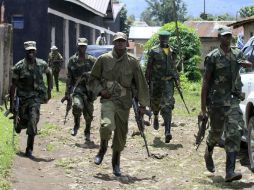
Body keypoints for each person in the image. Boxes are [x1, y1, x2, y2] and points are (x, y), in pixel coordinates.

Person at [88, 32, 149, 176]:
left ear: (127, 43)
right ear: (114, 43)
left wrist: (142, 105)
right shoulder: (103, 59)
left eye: (123, 41)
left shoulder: (133, 62)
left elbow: (141, 84)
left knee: (121, 135)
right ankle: (102, 149)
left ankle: (116, 162)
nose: (120, 43)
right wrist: (101, 91)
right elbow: (92, 79)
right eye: (118, 41)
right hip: (108, 100)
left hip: (124, 103)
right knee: (106, 125)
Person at [200, 26, 252, 182]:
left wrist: (246, 64)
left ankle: (230, 171)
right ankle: (208, 151)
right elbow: (206, 83)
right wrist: (203, 109)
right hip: (216, 102)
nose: (227, 39)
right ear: (219, 38)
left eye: (229, 36)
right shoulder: (212, 57)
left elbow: (246, 62)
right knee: (215, 134)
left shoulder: (237, 53)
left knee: (235, 132)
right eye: (224, 36)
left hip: (233, 101)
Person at [10, 41, 52, 157]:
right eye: (29, 51)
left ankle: (29, 149)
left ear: (36, 51)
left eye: (33, 51)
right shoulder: (19, 67)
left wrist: (49, 90)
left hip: (36, 98)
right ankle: (18, 124)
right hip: (23, 99)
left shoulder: (41, 64)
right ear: (25, 52)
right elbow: (13, 86)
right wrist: (12, 106)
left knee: (33, 121)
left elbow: (49, 73)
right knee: (24, 121)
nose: (31, 53)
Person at [145, 30, 179, 143]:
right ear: (159, 39)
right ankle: (155, 115)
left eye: (166, 38)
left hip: (168, 83)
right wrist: (146, 81)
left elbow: (174, 67)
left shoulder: (173, 50)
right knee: (155, 104)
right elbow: (149, 67)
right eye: (162, 38)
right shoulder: (153, 51)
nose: (164, 40)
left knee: (167, 106)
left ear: (168, 39)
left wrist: (177, 79)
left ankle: (167, 131)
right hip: (156, 82)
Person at [63, 38, 96, 142]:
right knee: (77, 106)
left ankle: (87, 131)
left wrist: (89, 74)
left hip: (90, 90)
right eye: (80, 46)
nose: (82, 48)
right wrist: (67, 94)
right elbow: (69, 78)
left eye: (84, 46)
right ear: (77, 46)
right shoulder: (72, 60)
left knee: (88, 114)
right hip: (78, 89)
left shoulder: (92, 60)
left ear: (86, 47)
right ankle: (76, 124)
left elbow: (98, 73)